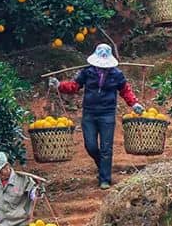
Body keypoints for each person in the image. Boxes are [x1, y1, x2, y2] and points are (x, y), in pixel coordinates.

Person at [49, 44, 143, 190]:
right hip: (89, 113)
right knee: (91, 146)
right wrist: (59, 85)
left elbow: (125, 91)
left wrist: (134, 103)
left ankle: (105, 179)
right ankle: (102, 167)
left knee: (106, 148)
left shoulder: (116, 74)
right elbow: (74, 86)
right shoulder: (87, 72)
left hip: (107, 114)